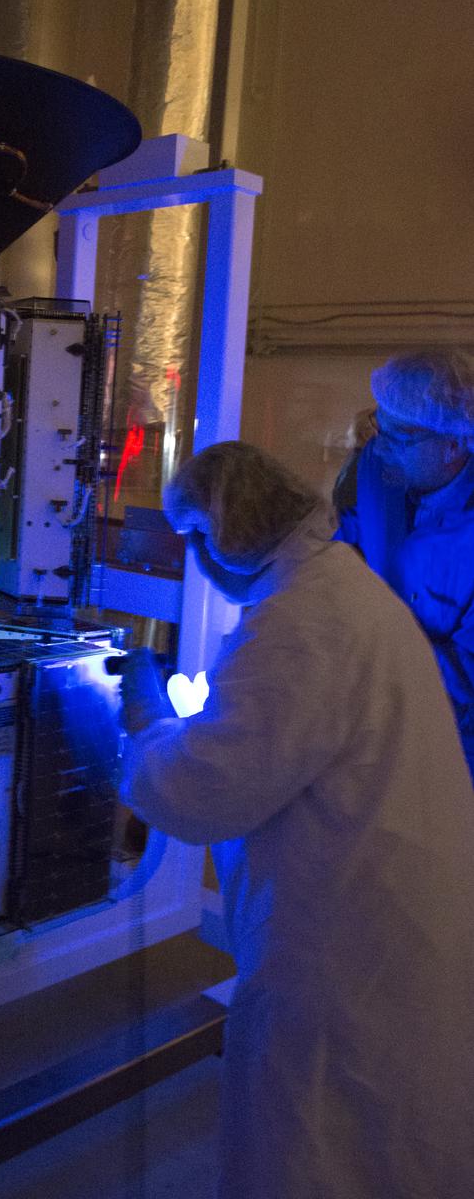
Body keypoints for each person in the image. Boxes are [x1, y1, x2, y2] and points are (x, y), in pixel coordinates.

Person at [118, 441, 474, 1199]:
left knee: (312, 1139)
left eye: (192, 542)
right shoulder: (341, 588)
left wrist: (143, 720)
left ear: (221, 538)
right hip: (397, 923)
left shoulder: (297, 624)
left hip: (345, 949)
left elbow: (201, 792)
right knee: (385, 1138)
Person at [336, 350, 474, 775]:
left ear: (454, 442)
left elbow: (464, 680)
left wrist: (370, 654)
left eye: (401, 437)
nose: (383, 447)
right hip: (371, 723)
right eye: (381, 425)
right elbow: (340, 562)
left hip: (452, 752)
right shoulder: (375, 471)